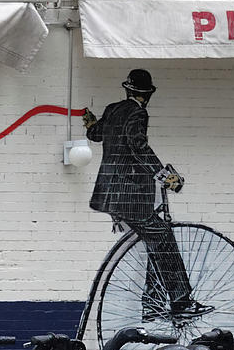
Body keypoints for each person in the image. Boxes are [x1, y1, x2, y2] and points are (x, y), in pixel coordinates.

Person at [83, 69, 212, 320]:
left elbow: (95, 134)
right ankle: (180, 302)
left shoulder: (112, 109)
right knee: (163, 237)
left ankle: (153, 304)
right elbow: (138, 145)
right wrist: (163, 175)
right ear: (148, 94)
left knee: (157, 240)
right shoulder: (138, 113)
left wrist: (89, 121)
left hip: (111, 193)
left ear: (128, 90)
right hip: (128, 194)